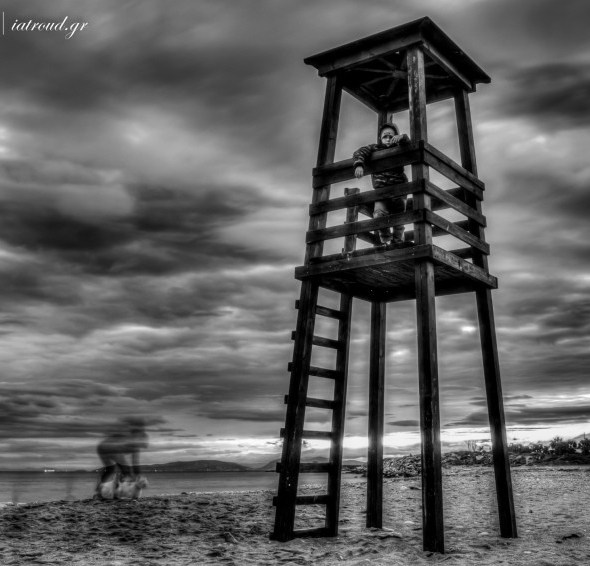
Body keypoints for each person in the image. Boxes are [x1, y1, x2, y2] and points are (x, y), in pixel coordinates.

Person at [353, 122, 412, 247]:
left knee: (399, 220)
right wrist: (359, 164)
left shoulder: (400, 147)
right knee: (378, 215)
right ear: (380, 138)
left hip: (399, 191)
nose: (388, 139)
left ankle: (398, 243)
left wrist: (402, 137)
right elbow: (360, 152)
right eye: (385, 136)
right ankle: (386, 240)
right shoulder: (375, 148)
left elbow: (409, 145)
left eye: (391, 136)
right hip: (381, 193)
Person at [96, 417, 149, 490]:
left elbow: (135, 464)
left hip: (102, 447)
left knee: (111, 469)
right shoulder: (132, 440)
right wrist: (136, 476)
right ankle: (117, 488)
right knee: (124, 470)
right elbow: (133, 464)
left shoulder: (135, 444)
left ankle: (101, 487)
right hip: (109, 447)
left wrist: (137, 475)